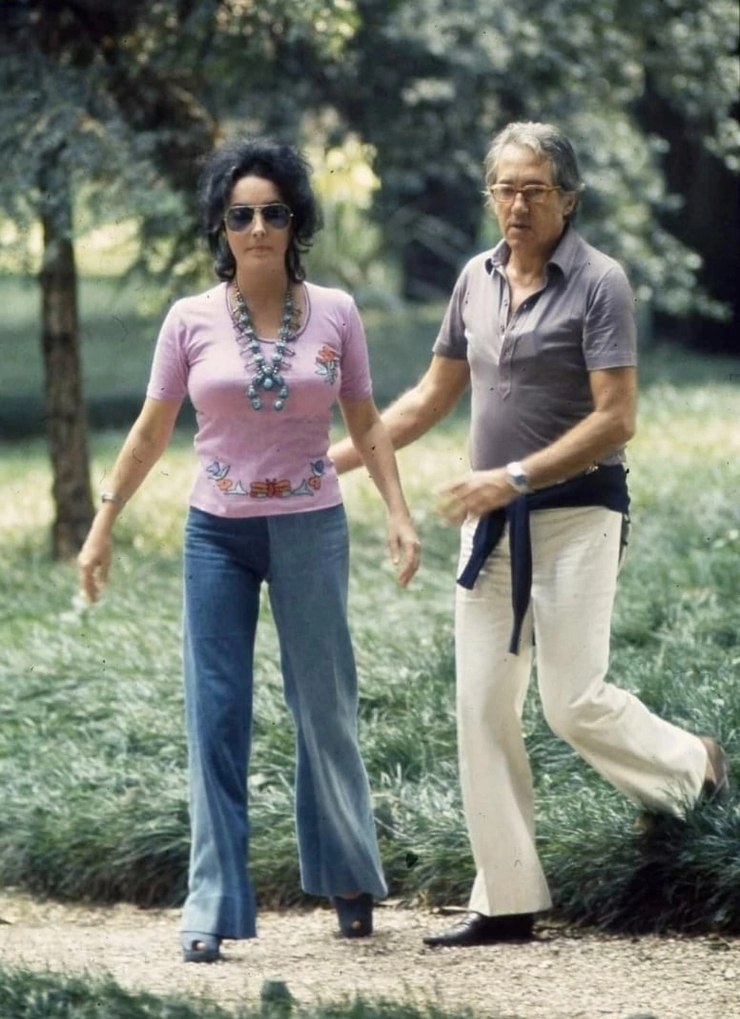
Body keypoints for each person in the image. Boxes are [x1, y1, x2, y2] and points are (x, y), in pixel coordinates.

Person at [329, 121, 728, 948]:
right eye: (505, 189)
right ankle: (506, 899)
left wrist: (511, 476)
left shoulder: (600, 283)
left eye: (534, 191)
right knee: (481, 706)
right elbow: (430, 397)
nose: (516, 205)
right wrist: (329, 460)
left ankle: (694, 765)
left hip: (580, 514)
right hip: (492, 526)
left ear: (568, 200)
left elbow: (616, 418)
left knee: (571, 701)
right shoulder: (474, 281)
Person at [77, 135, 420, 962]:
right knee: (216, 713)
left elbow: (365, 420)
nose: (257, 228)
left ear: (296, 221)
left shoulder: (336, 312)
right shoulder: (189, 320)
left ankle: (347, 876)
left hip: (311, 526)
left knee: (325, 707)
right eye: (240, 215)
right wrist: (103, 522)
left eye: (272, 212)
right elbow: (151, 430)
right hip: (216, 535)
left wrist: (398, 512)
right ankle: (213, 902)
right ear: (220, 227)